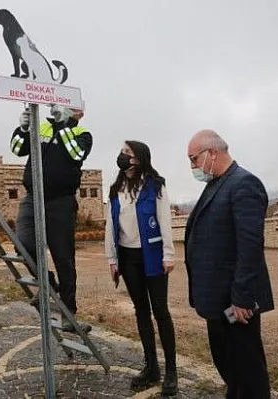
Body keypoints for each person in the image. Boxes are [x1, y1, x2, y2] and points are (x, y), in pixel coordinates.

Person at [184, 130, 274, 398]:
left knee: (248, 370)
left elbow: (249, 247)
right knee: (229, 365)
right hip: (217, 300)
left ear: (212, 153)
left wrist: (243, 298)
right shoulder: (216, 184)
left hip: (236, 302)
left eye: (193, 158)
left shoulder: (244, 184)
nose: (192, 166)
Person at [104, 141, 178, 395]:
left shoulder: (155, 184)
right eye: (122, 151)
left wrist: (169, 254)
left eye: (127, 152)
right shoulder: (116, 188)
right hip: (128, 258)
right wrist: (112, 259)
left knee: (160, 311)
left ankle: (171, 371)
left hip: (153, 256)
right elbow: (110, 225)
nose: (122, 156)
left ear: (138, 159)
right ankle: (151, 367)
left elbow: (165, 220)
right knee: (141, 311)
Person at [10, 104, 93, 331]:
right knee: (23, 243)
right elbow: (17, 150)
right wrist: (23, 128)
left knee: (63, 257)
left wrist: (64, 125)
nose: (65, 108)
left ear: (80, 114)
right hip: (33, 197)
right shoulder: (42, 127)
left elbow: (75, 153)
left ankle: (69, 315)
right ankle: (47, 282)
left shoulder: (83, 135)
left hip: (61, 201)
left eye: (72, 107)